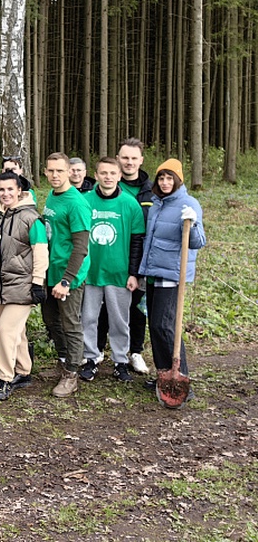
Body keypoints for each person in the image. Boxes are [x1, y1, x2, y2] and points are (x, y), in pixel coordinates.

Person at [139, 158, 206, 400]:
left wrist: (194, 223)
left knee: (164, 325)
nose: (165, 182)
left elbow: (198, 241)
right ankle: (164, 374)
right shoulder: (157, 203)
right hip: (153, 271)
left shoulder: (188, 203)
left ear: (178, 180)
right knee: (154, 326)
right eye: (161, 178)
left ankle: (181, 376)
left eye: (170, 178)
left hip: (172, 273)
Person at [79, 157, 145, 384]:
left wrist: (134, 273)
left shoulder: (130, 204)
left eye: (112, 173)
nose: (108, 177)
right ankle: (90, 358)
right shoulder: (85, 201)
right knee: (88, 318)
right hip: (91, 272)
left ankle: (120, 361)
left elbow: (137, 240)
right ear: (96, 176)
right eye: (103, 173)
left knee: (119, 320)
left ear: (119, 176)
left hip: (119, 274)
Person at [0, 172, 48, 400]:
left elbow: (40, 251)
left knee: (5, 331)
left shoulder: (32, 219)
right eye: (1, 190)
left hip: (23, 286)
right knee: (15, 331)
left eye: (10, 189)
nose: (5, 194)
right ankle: (23, 370)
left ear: (19, 190)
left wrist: (38, 282)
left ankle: (4, 379)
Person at [41, 152, 92, 398]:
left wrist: (66, 280)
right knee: (51, 319)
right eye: (50, 171)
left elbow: (81, 247)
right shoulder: (52, 195)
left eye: (59, 171)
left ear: (69, 172)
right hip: (51, 271)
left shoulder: (77, 203)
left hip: (69, 275)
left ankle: (72, 372)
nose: (54, 175)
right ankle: (63, 361)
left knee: (70, 323)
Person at [116, 138, 153, 375]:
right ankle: (101, 351)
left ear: (141, 160)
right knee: (105, 307)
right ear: (118, 159)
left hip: (140, 258)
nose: (129, 162)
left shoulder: (151, 190)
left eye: (133, 158)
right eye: (125, 157)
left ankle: (135, 352)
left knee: (137, 308)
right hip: (111, 255)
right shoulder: (109, 184)